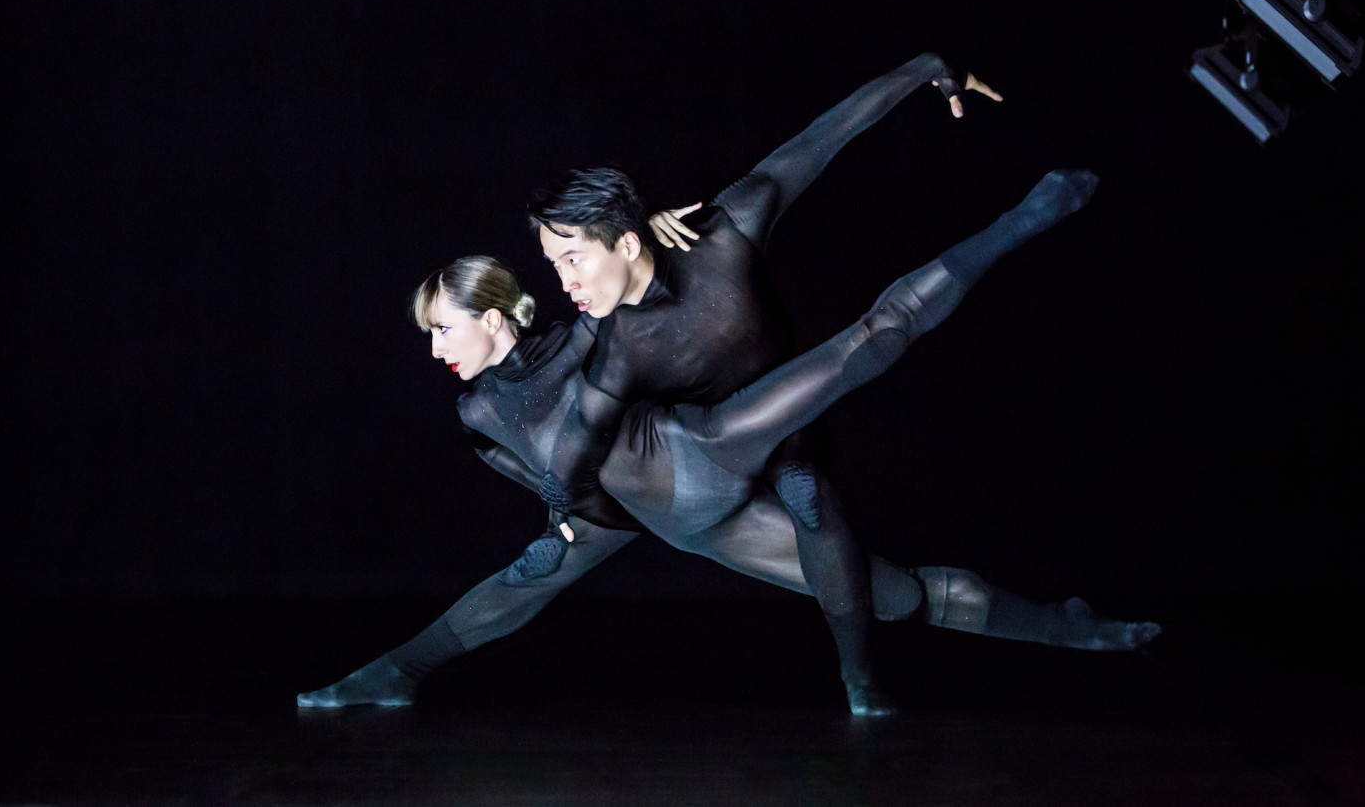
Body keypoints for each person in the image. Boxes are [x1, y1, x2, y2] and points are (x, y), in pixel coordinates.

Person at [297, 171, 1160, 714]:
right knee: (515, 588)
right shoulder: (475, 415)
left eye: (443, 328)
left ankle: (1068, 629)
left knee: (891, 564)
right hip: (660, 516)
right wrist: (558, 531)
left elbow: (668, 328)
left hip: (697, 455)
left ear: (490, 320)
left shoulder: (584, 334)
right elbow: (568, 485)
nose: (436, 349)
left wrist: (659, 242)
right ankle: (394, 671)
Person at [530, 52, 1003, 713]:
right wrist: (557, 506)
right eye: (556, 267)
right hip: (720, 453)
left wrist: (925, 67)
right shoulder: (617, 345)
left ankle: (859, 676)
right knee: (881, 577)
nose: (565, 283)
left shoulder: (725, 227)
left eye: (572, 260)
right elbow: (585, 433)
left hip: (794, 424)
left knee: (809, 494)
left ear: (627, 244)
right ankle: (865, 668)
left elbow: (825, 135)